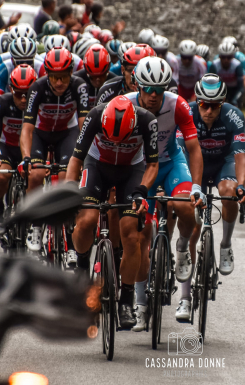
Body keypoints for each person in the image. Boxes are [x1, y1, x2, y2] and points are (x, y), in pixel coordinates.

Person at [67, 96, 159, 329]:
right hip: (97, 166)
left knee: (131, 234)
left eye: (122, 140)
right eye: (110, 138)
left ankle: (126, 300)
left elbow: (153, 165)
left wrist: (142, 190)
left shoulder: (147, 120)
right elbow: (77, 158)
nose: (116, 143)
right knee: (86, 220)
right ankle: (81, 262)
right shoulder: (96, 115)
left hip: (132, 171)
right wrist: (68, 191)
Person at [125, 57, 204, 324]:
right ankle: (140, 304)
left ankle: (181, 246)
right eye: (147, 89)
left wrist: (196, 187)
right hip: (139, 168)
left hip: (171, 164)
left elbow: (193, 148)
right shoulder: (126, 104)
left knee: (185, 206)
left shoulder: (178, 104)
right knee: (141, 234)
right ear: (138, 85)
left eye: (159, 90)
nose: (153, 96)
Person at [19, 48, 90, 251]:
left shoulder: (80, 86)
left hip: (66, 134)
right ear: (47, 75)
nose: (59, 83)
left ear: (71, 73)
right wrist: (26, 158)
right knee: (36, 175)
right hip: (41, 134)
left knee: (67, 177)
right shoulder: (37, 88)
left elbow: (84, 124)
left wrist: (83, 155)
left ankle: (68, 229)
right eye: (54, 77)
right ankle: (36, 224)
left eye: (64, 77)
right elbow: (27, 128)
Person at [188, 74, 245, 276]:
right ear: (197, 100)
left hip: (224, 163)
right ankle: (186, 270)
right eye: (204, 104)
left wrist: (241, 186)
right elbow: (179, 152)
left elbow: (240, 156)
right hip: (195, 163)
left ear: (222, 103)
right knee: (193, 226)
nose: (208, 110)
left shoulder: (234, 116)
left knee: (229, 192)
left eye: (215, 106)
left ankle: (225, 244)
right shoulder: (187, 113)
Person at [0, 64, 36, 232]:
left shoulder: (39, 104)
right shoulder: (1, 104)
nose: (23, 99)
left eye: (27, 94)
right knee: (2, 176)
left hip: (28, 150)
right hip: (7, 148)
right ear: (11, 89)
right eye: (19, 94)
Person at [209, 41, 245, 108]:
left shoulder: (237, 65)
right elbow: (210, 85)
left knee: (236, 106)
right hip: (219, 89)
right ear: (219, 56)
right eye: (223, 57)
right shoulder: (214, 65)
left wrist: (235, 100)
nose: (226, 60)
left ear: (233, 57)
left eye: (229, 57)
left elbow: (241, 88)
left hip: (234, 90)